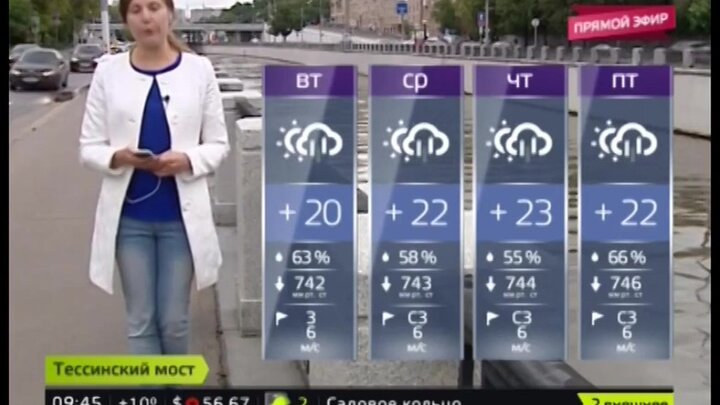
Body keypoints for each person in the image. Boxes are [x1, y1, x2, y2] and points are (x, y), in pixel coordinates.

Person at [79, 0, 229, 355]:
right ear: (126, 20)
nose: (146, 17)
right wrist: (119, 157)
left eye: (154, 7)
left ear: (170, 14)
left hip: (181, 220)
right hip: (130, 222)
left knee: (174, 321)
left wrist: (187, 159)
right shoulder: (108, 72)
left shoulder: (199, 70)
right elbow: (89, 147)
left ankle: (174, 384)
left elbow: (219, 144)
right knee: (141, 320)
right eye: (136, 10)